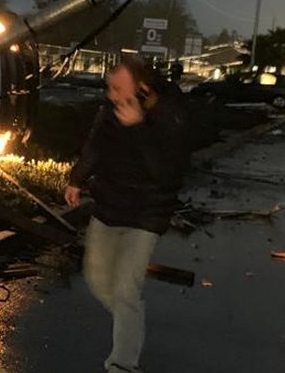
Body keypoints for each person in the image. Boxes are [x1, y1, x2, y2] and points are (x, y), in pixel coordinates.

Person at [65, 56, 191, 372]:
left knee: (125, 289)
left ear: (143, 89)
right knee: (97, 278)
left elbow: (164, 173)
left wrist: (137, 129)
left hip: (146, 216)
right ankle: (128, 316)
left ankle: (123, 363)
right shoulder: (109, 111)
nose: (111, 94)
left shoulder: (169, 117)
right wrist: (76, 179)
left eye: (118, 88)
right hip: (108, 207)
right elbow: (95, 146)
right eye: (109, 87)